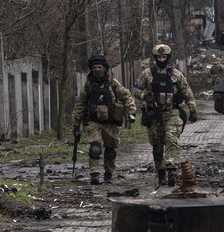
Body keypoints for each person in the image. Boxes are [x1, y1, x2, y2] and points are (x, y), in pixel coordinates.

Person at [134, 43, 198, 186]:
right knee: (157, 145)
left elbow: (187, 91)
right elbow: (136, 90)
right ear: (155, 58)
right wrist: (146, 97)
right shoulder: (147, 74)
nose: (161, 60)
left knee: (171, 139)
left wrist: (192, 109)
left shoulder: (176, 74)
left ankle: (172, 170)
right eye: (159, 57)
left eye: (164, 57)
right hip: (153, 114)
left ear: (168, 57)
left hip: (172, 113)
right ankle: (161, 173)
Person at [72, 54, 136, 185]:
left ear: (105, 68)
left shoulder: (112, 83)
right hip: (93, 121)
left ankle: (108, 173)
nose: (97, 69)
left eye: (100, 67)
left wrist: (131, 112)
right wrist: (76, 123)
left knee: (110, 150)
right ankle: (94, 174)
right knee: (94, 148)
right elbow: (80, 103)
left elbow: (126, 96)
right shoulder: (87, 85)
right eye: (94, 67)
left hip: (110, 122)